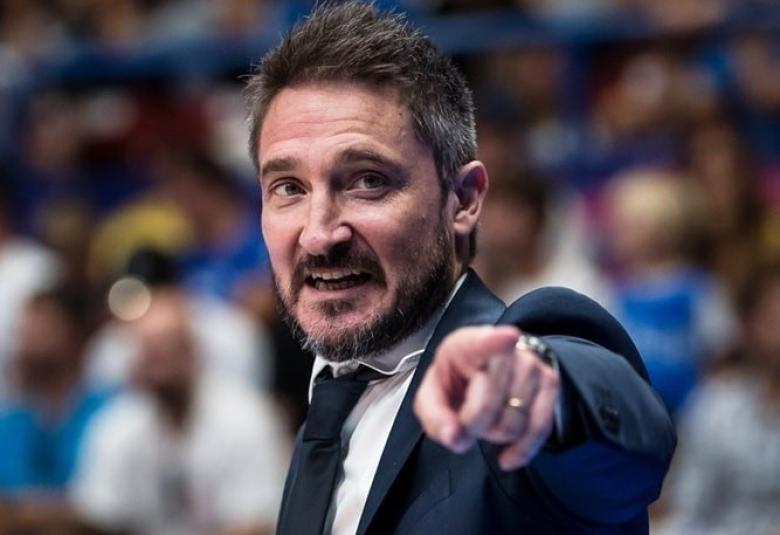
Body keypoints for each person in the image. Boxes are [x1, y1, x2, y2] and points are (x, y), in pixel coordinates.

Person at [244, 3, 675, 534]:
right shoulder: (326, 411)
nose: (318, 233)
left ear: (464, 199)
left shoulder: (509, 378)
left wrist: (539, 392)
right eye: (289, 188)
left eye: (368, 181)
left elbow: (627, 436)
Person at [71, 288, 288, 535]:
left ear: (195, 350)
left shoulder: (246, 418)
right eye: (149, 349)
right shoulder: (118, 423)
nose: (160, 357)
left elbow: (257, 523)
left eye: (170, 344)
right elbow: (97, 515)